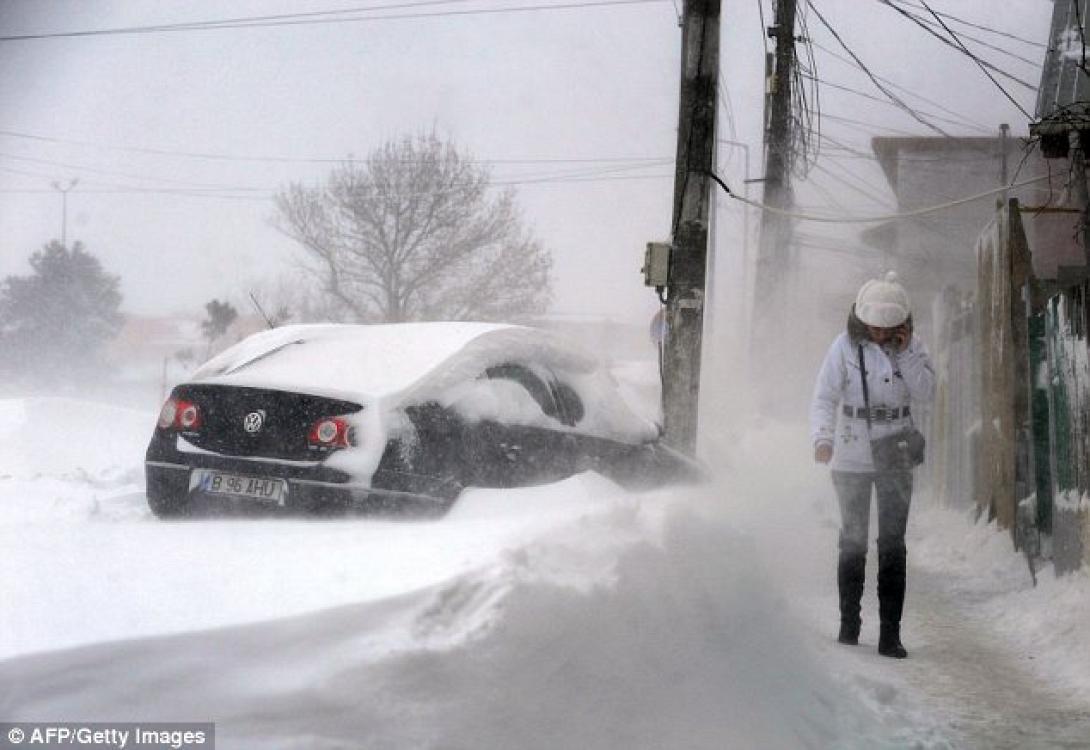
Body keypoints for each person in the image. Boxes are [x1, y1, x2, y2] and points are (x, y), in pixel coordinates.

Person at [809, 271, 935, 658]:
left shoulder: (912, 349)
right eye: (875, 328)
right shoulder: (842, 348)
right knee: (853, 539)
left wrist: (908, 352)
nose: (881, 335)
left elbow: (927, 392)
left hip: (894, 451)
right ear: (862, 321)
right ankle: (850, 626)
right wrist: (822, 438)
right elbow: (824, 397)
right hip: (850, 454)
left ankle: (890, 634)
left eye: (889, 328)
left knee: (893, 544)